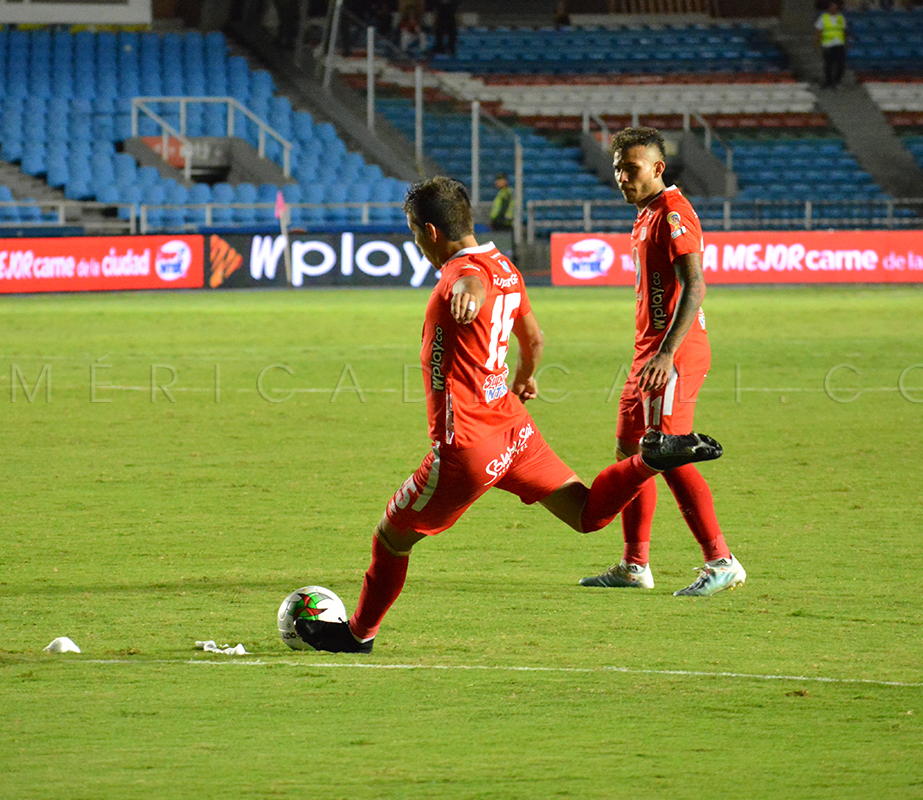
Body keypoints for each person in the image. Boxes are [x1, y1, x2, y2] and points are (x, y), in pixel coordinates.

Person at [295, 176, 723, 653]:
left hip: (467, 448)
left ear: (431, 232)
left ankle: (358, 635)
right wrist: (524, 377)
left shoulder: (462, 278)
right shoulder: (505, 267)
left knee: (391, 538)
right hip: (514, 432)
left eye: (416, 234)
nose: (417, 244)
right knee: (585, 514)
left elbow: (468, 285)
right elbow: (534, 340)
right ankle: (650, 461)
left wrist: (468, 297)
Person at [578, 126, 746, 596]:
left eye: (631, 169)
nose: (622, 178)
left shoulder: (673, 212)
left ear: (658, 167)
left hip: (673, 353)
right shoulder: (645, 213)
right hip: (648, 355)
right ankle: (634, 566)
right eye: (617, 169)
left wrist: (667, 352)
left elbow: (695, 284)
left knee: (665, 456)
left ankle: (721, 560)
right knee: (631, 455)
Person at [814, 1, 848, 90]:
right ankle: (828, 83)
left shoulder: (841, 18)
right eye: (832, 7)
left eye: (835, 8)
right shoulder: (823, 18)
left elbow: (843, 31)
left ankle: (837, 82)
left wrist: (846, 43)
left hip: (839, 44)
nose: (834, 9)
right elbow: (818, 32)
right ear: (829, 8)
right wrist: (817, 44)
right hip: (828, 45)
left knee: (841, 65)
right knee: (828, 65)